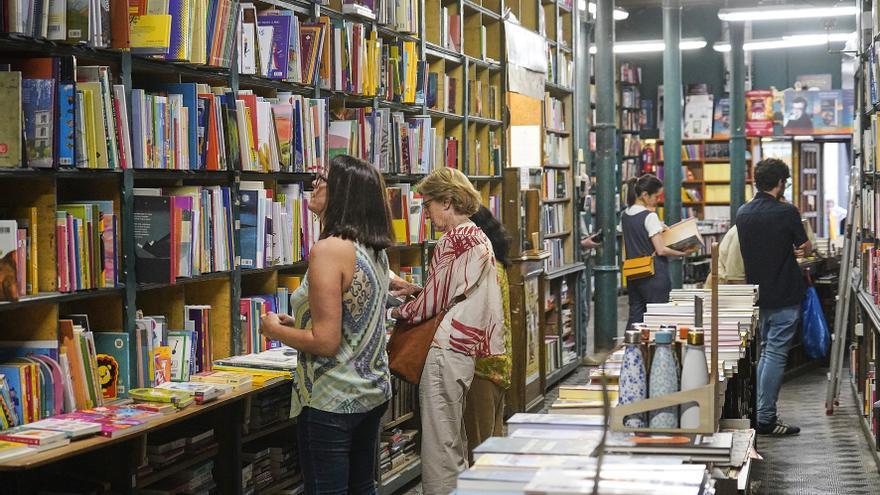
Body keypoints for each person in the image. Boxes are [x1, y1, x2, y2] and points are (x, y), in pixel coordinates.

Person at [259, 154, 394, 495]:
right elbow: (353, 318)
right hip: (371, 390)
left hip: (332, 396)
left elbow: (326, 342)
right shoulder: (373, 248)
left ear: (344, 193)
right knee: (362, 487)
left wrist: (275, 331)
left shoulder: (329, 249)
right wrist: (299, 321)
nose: (314, 185)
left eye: (323, 179)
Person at [388, 167, 505, 495]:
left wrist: (396, 310)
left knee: (439, 445)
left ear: (448, 201)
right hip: (463, 347)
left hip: (446, 348)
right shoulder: (476, 236)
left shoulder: (455, 239)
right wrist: (418, 290)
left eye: (428, 205)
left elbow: (432, 303)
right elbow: (451, 291)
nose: (426, 214)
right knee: (452, 438)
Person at [736, 158, 811, 436]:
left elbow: (761, 249)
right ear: (780, 183)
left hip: (758, 294)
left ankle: (758, 410)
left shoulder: (743, 213)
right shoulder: (786, 211)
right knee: (776, 354)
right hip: (784, 292)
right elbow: (804, 244)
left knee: (765, 352)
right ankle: (766, 417)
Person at [463, 206, 512, 461]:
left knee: (480, 447)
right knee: (492, 439)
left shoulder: (484, 268)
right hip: (499, 364)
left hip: (481, 366)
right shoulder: (498, 265)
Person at [621, 174, 694, 330]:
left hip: (633, 273)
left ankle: (632, 351)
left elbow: (638, 232)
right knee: (657, 318)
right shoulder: (650, 216)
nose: (658, 200)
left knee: (635, 317)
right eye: (656, 196)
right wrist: (683, 253)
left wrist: (658, 225)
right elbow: (660, 250)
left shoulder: (625, 215)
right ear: (645, 195)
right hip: (653, 274)